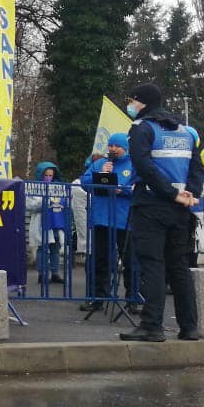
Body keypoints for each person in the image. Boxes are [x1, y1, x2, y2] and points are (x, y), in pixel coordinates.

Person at [119, 82, 204, 343]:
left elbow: (144, 166)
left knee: (152, 264)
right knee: (179, 266)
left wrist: (170, 193)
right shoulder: (186, 131)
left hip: (151, 204)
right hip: (181, 209)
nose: (130, 105)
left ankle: (152, 325)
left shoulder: (141, 128)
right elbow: (198, 168)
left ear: (141, 102)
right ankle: (189, 327)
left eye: (132, 101)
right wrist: (189, 194)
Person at [77, 133, 135, 311]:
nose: (113, 149)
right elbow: (84, 181)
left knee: (130, 261)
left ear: (125, 148)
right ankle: (97, 297)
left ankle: (133, 299)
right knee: (99, 260)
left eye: (117, 146)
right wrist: (102, 175)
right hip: (101, 219)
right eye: (110, 145)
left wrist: (122, 191)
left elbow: (140, 188)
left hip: (124, 220)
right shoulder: (100, 164)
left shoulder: (134, 165)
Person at [25, 162, 70, 287]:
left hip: (56, 222)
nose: (48, 178)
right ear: (41, 175)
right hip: (42, 223)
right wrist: (44, 201)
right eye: (46, 175)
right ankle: (42, 274)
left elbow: (66, 203)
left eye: (50, 175)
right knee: (43, 249)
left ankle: (55, 272)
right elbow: (29, 205)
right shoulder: (33, 188)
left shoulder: (59, 188)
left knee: (55, 249)